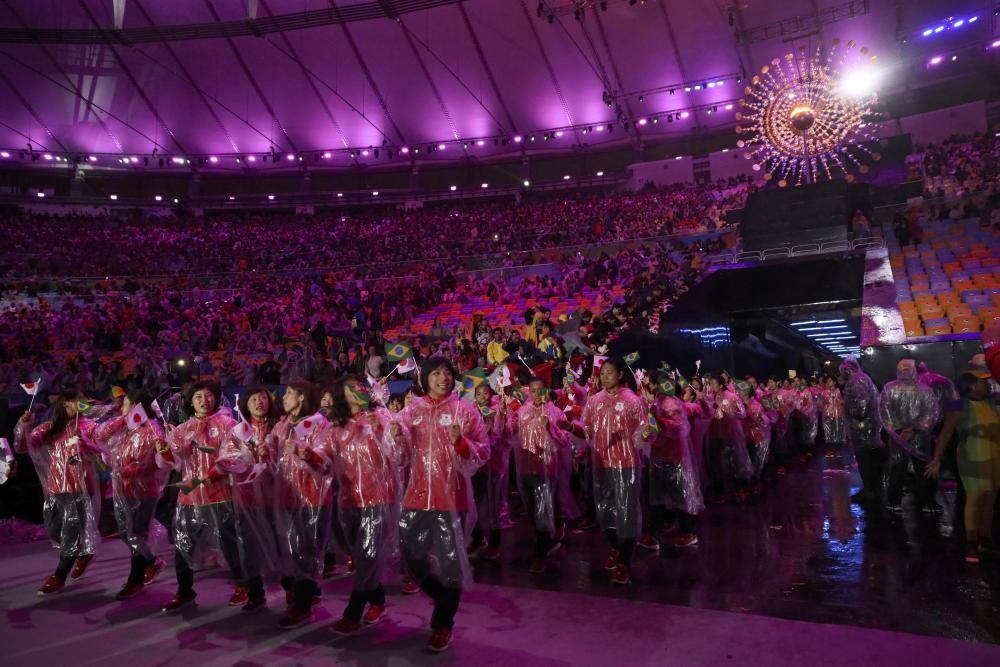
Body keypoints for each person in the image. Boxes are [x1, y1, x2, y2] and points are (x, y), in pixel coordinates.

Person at [388, 357, 489, 653]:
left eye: (447, 373)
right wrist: (395, 436)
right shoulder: (412, 411)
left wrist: (461, 442)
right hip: (416, 497)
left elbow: (482, 453)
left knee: (450, 566)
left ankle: (443, 624)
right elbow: (399, 455)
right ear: (425, 379)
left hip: (451, 499)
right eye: (436, 373)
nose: (443, 378)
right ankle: (439, 595)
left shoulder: (466, 412)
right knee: (411, 556)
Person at [157, 381, 243, 612]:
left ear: (215, 398)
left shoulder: (228, 424)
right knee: (183, 544)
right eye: (198, 397)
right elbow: (170, 460)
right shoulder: (182, 429)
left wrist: (216, 473)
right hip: (189, 495)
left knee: (230, 543)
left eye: (208, 396)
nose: (204, 400)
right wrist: (164, 450)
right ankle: (184, 590)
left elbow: (235, 455)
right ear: (191, 401)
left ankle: (243, 585)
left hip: (220, 493)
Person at [325, 375, 400, 635]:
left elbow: (398, 452)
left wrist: (388, 430)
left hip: (378, 499)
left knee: (367, 555)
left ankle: (353, 611)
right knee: (358, 555)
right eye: (352, 388)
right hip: (348, 500)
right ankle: (378, 599)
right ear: (341, 395)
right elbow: (324, 460)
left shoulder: (381, 417)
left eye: (361, 386)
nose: (359, 390)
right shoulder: (336, 426)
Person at [571, 357, 649, 585]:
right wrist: (569, 426)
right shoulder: (594, 401)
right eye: (603, 373)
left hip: (626, 465)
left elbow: (645, 430)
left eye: (610, 373)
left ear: (620, 375)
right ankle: (615, 547)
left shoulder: (633, 401)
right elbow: (584, 429)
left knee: (626, 514)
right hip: (601, 464)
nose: (605, 376)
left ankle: (625, 562)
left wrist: (645, 434)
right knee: (604, 511)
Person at [14, 391, 102, 595]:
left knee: (71, 532)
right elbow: (23, 447)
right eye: (72, 402)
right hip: (55, 488)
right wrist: (24, 426)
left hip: (80, 487)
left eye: (79, 402)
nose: (76, 405)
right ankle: (84, 552)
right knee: (55, 530)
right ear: (63, 405)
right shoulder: (49, 428)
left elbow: (102, 446)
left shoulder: (86, 426)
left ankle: (58, 576)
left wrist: (86, 443)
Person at [269, 380, 332, 630]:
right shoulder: (283, 425)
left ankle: (303, 607)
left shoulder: (319, 424)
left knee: (305, 553)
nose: (284, 397)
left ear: (301, 398)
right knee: (290, 551)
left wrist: (308, 455)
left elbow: (326, 462)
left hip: (311, 498)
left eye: (289, 394)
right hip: (287, 496)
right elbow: (274, 454)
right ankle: (308, 592)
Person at [93, 390, 168, 599]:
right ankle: (152, 562)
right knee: (127, 533)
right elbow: (101, 436)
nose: (122, 409)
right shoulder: (126, 429)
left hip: (143, 490)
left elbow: (150, 463)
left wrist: (122, 470)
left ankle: (135, 580)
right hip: (122, 488)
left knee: (136, 534)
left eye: (125, 405)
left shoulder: (151, 431)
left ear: (136, 406)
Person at [215, 385, 280, 614]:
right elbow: (226, 457)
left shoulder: (279, 428)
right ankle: (256, 593)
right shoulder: (238, 431)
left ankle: (294, 590)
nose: (259, 402)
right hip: (247, 497)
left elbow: (290, 461)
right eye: (253, 399)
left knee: (283, 545)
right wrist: (243, 458)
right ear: (245, 404)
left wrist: (270, 454)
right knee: (249, 548)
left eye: (262, 397)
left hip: (277, 498)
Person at [925, 371, 1000, 563]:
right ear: (971, 386)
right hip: (972, 458)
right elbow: (946, 432)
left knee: (991, 497)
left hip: (994, 458)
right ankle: (971, 544)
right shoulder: (960, 406)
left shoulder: (991, 402)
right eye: (983, 382)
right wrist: (937, 458)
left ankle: (985, 538)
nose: (988, 384)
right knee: (975, 497)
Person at [511, 377, 571, 573]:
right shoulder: (522, 412)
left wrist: (549, 427)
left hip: (546, 471)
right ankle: (549, 541)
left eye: (540, 390)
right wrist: (502, 415)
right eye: (533, 391)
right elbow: (507, 432)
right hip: (525, 470)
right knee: (532, 512)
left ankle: (540, 555)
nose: (537, 394)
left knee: (543, 512)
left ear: (547, 391)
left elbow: (564, 440)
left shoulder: (555, 412)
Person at [645, 377, 704, 549]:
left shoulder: (671, 403)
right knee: (657, 498)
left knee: (680, 496)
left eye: (653, 381)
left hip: (673, 457)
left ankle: (688, 532)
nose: (650, 384)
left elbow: (680, 428)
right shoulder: (658, 402)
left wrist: (659, 422)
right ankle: (654, 534)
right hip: (659, 456)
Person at [879, 359, 940, 514]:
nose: (904, 373)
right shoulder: (923, 390)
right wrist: (912, 430)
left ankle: (897, 502)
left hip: (904, 436)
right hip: (911, 436)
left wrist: (901, 431)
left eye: (907, 370)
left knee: (909, 468)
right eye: (902, 370)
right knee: (908, 469)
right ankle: (925, 502)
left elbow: (931, 413)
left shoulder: (891, 389)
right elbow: (884, 412)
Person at [468, 383, 510, 560]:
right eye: (479, 394)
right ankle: (478, 539)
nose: (482, 397)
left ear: (492, 395)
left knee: (494, 506)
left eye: (486, 394)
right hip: (475, 468)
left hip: (493, 466)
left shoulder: (498, 410)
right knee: (474, 505)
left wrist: (498, 420)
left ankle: (494, 543)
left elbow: (506, 436)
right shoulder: (470, 413)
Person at [840, 358, 885, 505]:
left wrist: (855, 418)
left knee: (865, 459)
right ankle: (874, 489)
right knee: (871, 458)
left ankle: (870, 491)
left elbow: (861, 404)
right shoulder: (864, 378)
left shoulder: (855, 382)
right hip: (871, 425)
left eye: (843, 371)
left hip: (863, 427)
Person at [705, 375, 753, 502]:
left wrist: (732, 412)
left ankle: (740, 489)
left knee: (735, 463)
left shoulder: (732, 396)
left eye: (713, 384)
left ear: (721, 385)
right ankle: (719, 493)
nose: (711, 386)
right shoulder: (710, 398)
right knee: (717, 466)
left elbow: (743, 413)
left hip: (730, 434)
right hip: (714, 435)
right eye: (710, 384)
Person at [819, 377, 848, 459]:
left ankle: (838, 450)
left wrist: (839, 401)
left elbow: (845, 401)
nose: (828, 382)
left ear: (834, 382)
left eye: (830, 381)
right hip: (827, 415)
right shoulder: (824, 392)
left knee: (838, 432)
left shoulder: (839, 391)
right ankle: (830, 450)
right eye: (827, 381)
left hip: (838, 415)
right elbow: (820, 403)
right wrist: (823, 402)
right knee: (829, 432)